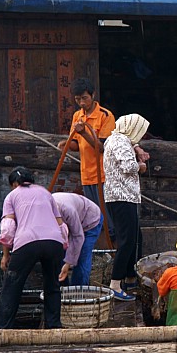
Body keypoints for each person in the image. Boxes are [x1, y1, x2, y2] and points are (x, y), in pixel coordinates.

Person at [0, 167, 68, 329]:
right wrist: (63, 247)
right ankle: (54, 326)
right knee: (52, 286)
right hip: (54, 242)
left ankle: (3, 329)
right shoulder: (45, 193)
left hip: (27, 243)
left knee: (12, 286)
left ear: (14, 183)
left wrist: (6, 256)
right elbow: (61, 225)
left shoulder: (12, 196)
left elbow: (8, 228)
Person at [103, 113, 150, 301]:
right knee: (126, 241)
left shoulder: (116, 139)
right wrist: (141, 166)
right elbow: (128, 166)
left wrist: (136, 149)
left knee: (134, 235)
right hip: (121, 197)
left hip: (121, 196)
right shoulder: (120, 141)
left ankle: (130, 276)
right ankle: (115, 284)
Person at [67, 77, 116, 239]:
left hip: (103, 174)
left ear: (93, 95)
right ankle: (101, 249)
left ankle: (112, 245)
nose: (81, 103)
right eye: (77, 99)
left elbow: (102, 147)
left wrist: (83, 133)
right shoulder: (77, 116)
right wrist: (65, 145)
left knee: (108, 217)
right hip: (86, 175)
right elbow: (75, 143)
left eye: (84, 98)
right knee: (94, 216)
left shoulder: (105, 116)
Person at [52, 191, 103, 286]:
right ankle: (62, 292)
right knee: (58, 255)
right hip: (72, 222)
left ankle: (79, 293)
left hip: (90, 220)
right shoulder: (43, 211)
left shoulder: (68, 210)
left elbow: (77, 236)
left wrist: (68, 263)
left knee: (82, 258)